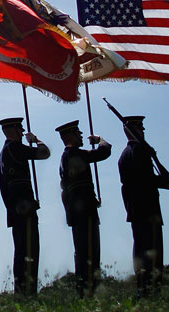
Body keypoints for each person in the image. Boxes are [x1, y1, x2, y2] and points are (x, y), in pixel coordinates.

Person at [116, 115, 169, 299]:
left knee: (141, 250)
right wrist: (166, 181)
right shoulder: (140, 151)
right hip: (148, 209)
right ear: (134, 130)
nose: (143, 131)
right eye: (140, 128)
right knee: (152, 252)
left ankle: (142, 289)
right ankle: (151, 291)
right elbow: (146, 179)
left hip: (135, 210)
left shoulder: (124, 155)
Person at [56, 119, 111, 297]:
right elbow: (104, 152)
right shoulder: (74, 154)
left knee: (84, 252)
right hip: (84, 211)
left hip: (80, 210)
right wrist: (100, 139)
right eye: (78, 133)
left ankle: (85, 290)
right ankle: (88, 291)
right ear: (70, 135)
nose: (81, 136)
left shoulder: (66, 157)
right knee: (89, 253)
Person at [0, 117, 50, 296]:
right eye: (20, 129)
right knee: (29, 249)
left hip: (15, 207)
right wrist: (35, 140)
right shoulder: (14, 147)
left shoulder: (4, 152)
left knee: (22, 250)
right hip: (23, 207)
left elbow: (3, 186)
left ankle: (22, 291)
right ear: (13, 131)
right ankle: (27, 292)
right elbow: (44, 153)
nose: (22, 132)